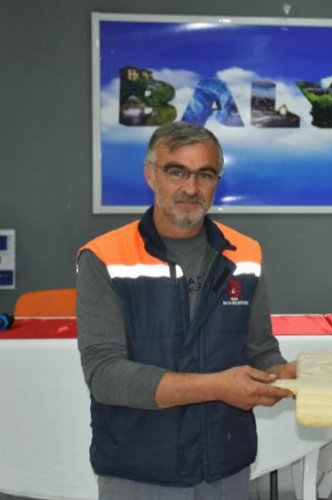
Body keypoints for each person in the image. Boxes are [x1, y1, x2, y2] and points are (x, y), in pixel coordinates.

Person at [76, 121, 295, 498]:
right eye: (177, 171)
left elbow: (260, 351)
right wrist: (217, 387)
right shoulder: (103, 257)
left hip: (225, 466)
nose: (191, 188)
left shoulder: (245, 254)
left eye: (205, 175)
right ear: (151, 175)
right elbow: (105, 375)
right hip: (139, 469)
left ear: (217, 182)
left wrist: (288, 375)